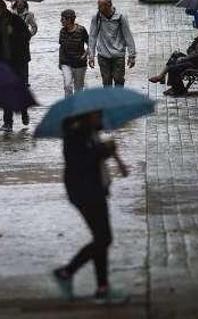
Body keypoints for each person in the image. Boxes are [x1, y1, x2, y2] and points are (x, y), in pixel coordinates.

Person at [52, 111, 130, 304]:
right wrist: (102, 151)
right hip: (84, 193)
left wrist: (111, 154)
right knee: (103, 238)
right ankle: (67, 272)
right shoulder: (74, 136)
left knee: (101, 238)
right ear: (85, 117)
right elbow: (81, 163)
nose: (101, 118)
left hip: (96, 191)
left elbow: (98, 155)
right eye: (97, 115)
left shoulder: (90, 133)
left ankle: (102, 287)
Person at [0, 0, 32, 132]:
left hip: (19, 61)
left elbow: (27, 36)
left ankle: (24, 111)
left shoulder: (17, 21)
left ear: (3, 9)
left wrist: (13, 33)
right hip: (4, 63)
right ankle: (8, 122)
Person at [148, 20, 198, 96]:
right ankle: (162, 77)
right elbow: (189, 50)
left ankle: (178, 90)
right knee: (176, 55)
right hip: (195, 61)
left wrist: (184, 59)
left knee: (174, 67)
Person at [88, 0, 136, 87]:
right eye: (98, 5)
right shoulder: (97, 17)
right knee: (106, 82)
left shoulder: (120, 16)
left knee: (119, 80)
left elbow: (128, 36)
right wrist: (91, 55)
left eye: (101, 6)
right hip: (103, 55)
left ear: (109, 5)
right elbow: (92, 36)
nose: (98, 8)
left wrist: (132, 55)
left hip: (118, 55)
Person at [59, 9, 89, 97]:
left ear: (69, 20)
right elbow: (61, 47)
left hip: (79, 63)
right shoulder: (62, 31)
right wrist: (60, 62)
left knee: (78, 88)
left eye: (63, 19)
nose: (61, 21)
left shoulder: (81, 30)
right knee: (67, 85)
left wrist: (85, 54)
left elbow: (90, 43)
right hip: (66, 63)